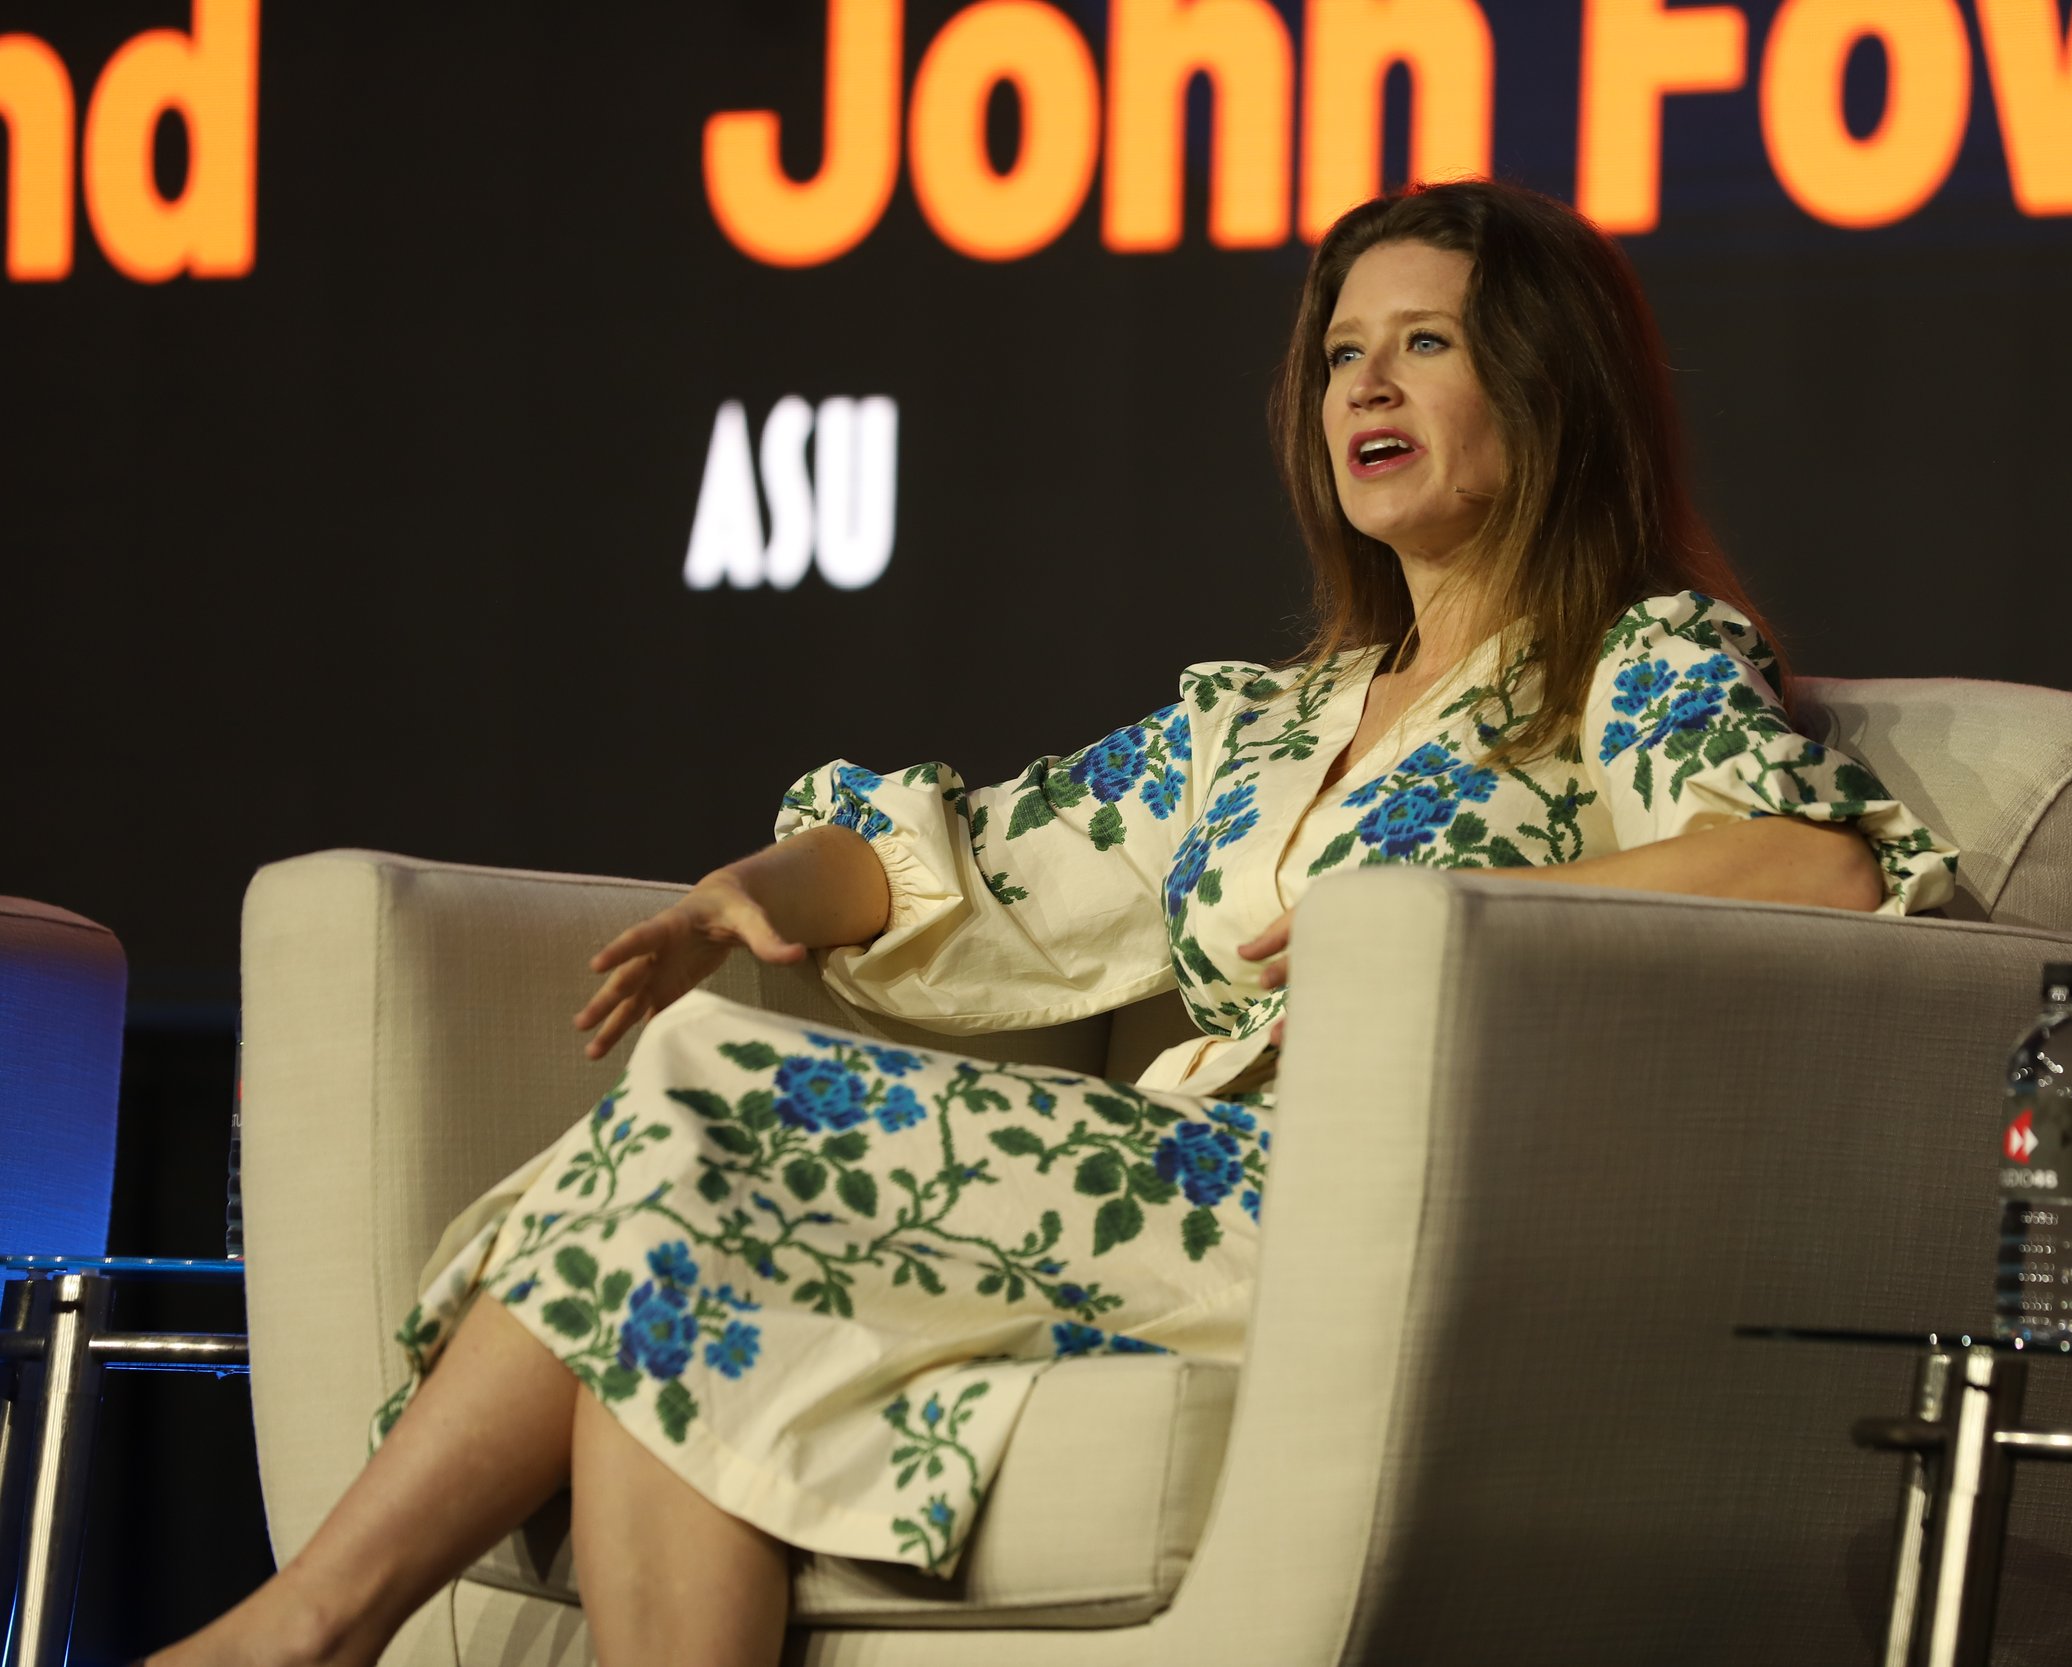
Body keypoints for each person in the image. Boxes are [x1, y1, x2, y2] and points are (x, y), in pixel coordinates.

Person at [157, 178, 1953, 1666]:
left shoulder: (1637, 658)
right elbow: (982, 857)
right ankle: (307, 1632)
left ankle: (306, 1626)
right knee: (678, 1291)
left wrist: (1445, 911)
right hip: (1179, 1195)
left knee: (703, 1098)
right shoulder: (1263, 726)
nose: (1366, 385)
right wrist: (758, 892)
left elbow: (1806, 869)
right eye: (1342, 352)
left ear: (1551, 389)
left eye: (1428, 342)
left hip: (1362, 1211)